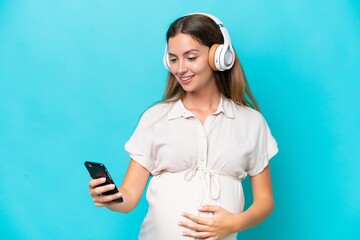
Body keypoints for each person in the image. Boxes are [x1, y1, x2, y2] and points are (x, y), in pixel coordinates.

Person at [88, 12, 278, 240]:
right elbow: (128, 199)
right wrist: (111, 198)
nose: (180, 69)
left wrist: (233, 223)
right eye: (174, 59)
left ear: (218, 56)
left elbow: (265, 201)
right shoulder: (156, 118)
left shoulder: (250, 122)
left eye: (191, 57)